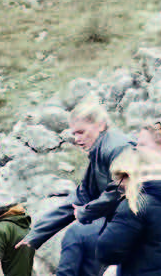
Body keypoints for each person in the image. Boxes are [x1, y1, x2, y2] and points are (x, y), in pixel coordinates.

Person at [27, 97, 133, 251]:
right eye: (74, 134)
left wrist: (85, 212)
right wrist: (33, 238)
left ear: (101, 125)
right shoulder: (98, 152)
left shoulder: (117, 148)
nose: (77, 140)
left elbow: (120, 190)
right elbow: (81, 196)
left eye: (81, 132)